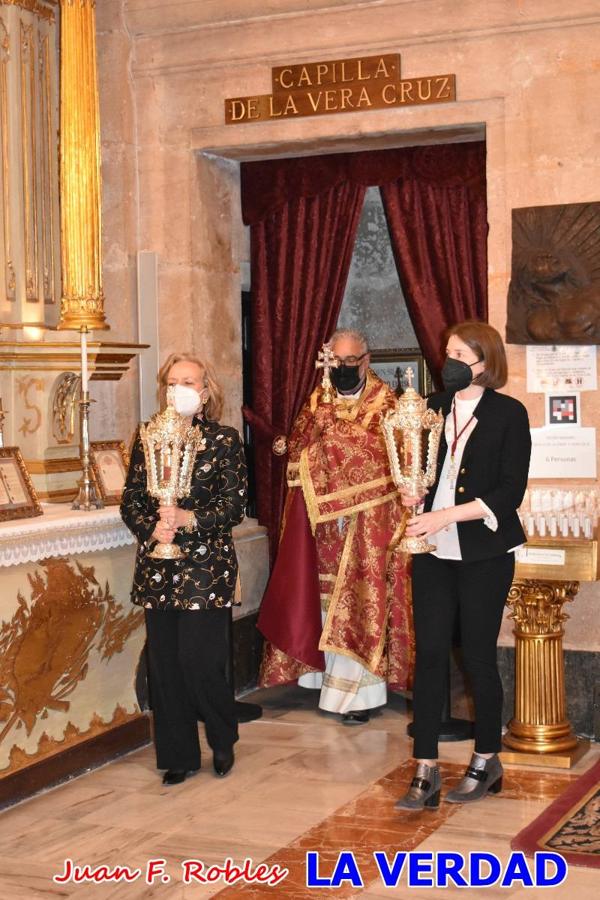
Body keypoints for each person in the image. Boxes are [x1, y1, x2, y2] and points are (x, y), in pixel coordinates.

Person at [395, 320, 531, 810]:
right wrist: (411, 493)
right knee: (429, 655)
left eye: (459, 354)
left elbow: (509, 492)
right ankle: (425, 767)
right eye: (446, 350)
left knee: (476, 655)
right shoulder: (431, 408)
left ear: (484, 362)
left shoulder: (508, 414)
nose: (448, 361)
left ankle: (486, 758)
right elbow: (419, 471)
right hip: (433, 553)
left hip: (484, 552)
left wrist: (447, 513)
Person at [258, 329, 413, 724]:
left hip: (366, 528)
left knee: (358, 606)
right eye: (336, 362)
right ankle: (322, 680)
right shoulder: (316, 401)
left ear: (367, 359)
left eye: (350, 362)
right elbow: (296, 454)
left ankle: (360, 696)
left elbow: (382, 458)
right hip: (323, 527)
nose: (342, 370)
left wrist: (333, 441)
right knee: (323, 604)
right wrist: (320, 444)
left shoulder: (387, 404)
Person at [120, 352, 247, 786]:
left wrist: (189, 521)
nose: (179, 389)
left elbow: (233, 505)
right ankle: (178, 755)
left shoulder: (224, 440)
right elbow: (132, 498)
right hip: (159, 565)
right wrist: (153, 528)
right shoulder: (147, 436)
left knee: (200, 661)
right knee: (166, 663)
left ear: (205, 390)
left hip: (206, 568)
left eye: (189, 381)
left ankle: (222, 735)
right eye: (173, 382)